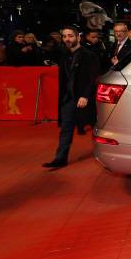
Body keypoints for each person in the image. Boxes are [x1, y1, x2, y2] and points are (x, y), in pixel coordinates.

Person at [42, 25, 99, 168]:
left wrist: (85, 96)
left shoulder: (88, 55)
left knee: (96, 127)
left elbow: (92, 78)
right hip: (68, 99)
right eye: (65, 36)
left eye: (70, 36)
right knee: (66, 129)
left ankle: (105, 155)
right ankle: (60, 158)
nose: (67, 39)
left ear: (78, 37)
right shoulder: (64, 55)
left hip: (84, 98)